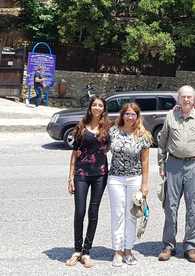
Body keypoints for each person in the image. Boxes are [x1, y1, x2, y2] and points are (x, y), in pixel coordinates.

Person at [157, 85, 195, 263]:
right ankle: (168, 246)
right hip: (173, 164)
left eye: (189, 97)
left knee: (193, 207)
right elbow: (162, 142)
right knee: (170, 206)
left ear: (194, 99)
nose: (186, 99)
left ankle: (190, 246)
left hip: (194, 164)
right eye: (183, 97)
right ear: (178, 99)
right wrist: (161, 165)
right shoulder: (171, 116)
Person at [67, 95, 111, 268]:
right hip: (81, 174)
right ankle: (77, 250)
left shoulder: (108, 127)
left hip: (100, 174)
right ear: (90, 107)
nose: (97, 108)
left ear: (103, 109)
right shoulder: (81, 128)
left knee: (93, 213)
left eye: (100, 105)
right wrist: (70, 177)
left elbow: (129, 121)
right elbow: (74, 154)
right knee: (79, 212)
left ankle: (86, 251)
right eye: (95, 105)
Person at [108, 102, 152, 266]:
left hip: (135, 179)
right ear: (122, 115)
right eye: (127, 114)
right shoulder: (113, 132)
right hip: (115, 179)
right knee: (117, 215)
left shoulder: (143, 135)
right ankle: (117, 251)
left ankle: (128, 250)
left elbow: (145, 160)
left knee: (132, 215)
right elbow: (102, 148)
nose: (130, 117)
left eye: (134, 114)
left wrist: (145, 183)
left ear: (137, 116)